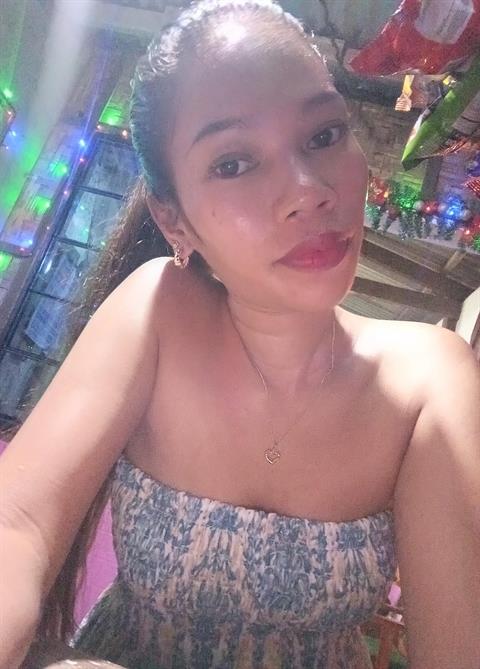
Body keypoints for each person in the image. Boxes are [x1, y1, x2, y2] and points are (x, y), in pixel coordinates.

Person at [1, 1, 479, 668]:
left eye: (323, 135)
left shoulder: (430, 377)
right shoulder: (158, 312)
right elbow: (17, 523)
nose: (308, 191)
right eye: (232, 163)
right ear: (175, 220)